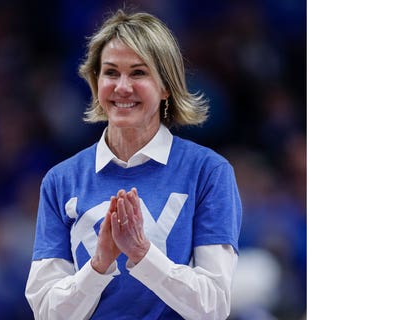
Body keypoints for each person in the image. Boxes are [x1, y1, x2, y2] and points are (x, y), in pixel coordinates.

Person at [25, 9, 242, 320]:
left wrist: (142, 254)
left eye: (138, 73)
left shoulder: (208, 172)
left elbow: (213, 306)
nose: (122, 87)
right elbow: (47, 312)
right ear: (95, 82)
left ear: (166, 86)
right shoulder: (61, 180)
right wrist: (99, 265)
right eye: (111, 72)